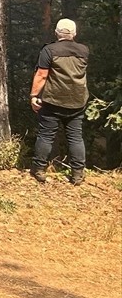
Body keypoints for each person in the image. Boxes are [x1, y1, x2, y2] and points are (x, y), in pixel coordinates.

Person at [29, 18, 90, 185]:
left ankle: (39, 169)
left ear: (56, 32)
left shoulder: (49, 50)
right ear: (74, 34)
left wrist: (34, 95)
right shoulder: (84, 51)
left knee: (46, 136)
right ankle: (77, 173)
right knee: (75, 137)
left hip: (52, 101)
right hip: (77, 101)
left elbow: (42, 75)